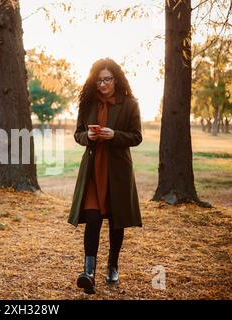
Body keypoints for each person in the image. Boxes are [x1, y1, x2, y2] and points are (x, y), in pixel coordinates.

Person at [67, 58, 143, 294]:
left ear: (116, 79)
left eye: (107, 79)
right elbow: (78, 134)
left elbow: (137, 136)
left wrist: (114, 135)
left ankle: (113, 266)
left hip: (117, 171)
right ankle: (88, 272)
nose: (103, 84)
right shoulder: (87, 104)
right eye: (99, 80)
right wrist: (87, 136)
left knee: (116, 220)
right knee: (92, 219)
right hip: (92, 169)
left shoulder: (130, 104)